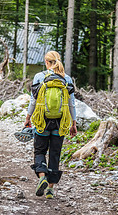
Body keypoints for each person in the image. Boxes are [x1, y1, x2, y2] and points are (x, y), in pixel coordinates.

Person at [24, 51, 77, 199]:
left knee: (40, 150)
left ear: (47, 62)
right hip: (61, 122)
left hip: (43, 120)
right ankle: (50, 190)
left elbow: (33, 101)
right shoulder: (66, 79)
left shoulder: (39, 77)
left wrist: (28, 118)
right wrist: (73, 123)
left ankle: (42, 177)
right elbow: (71, 104)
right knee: (55, 153)